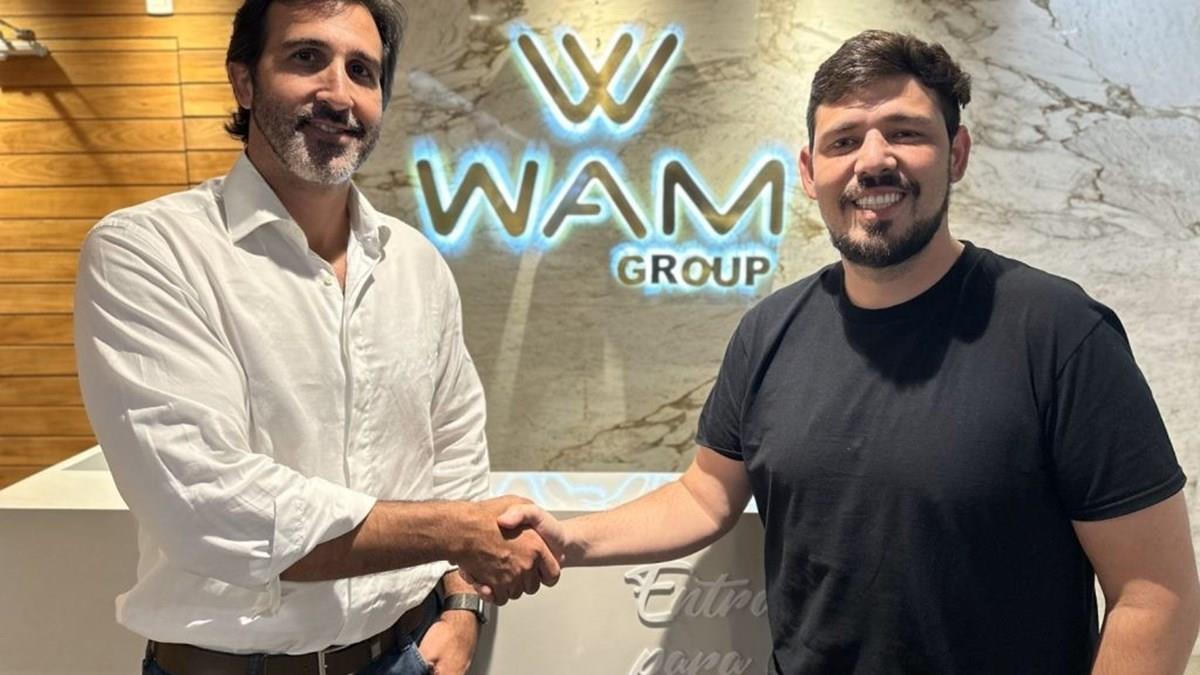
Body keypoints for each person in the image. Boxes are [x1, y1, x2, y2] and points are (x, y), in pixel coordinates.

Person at [493, 30, 1200, 674]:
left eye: (905, 133)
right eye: (844, 141)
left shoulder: (1059, 332)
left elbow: (1155, 594)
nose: (873, 160)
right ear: (809, 171)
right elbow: (704, 494)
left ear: (956, 154)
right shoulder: (769, 331)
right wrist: (569, 539)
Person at [73, 2, 558, 674]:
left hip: (407, 654)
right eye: (307, 58)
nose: (338, 93)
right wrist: (457, 531)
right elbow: (212, 504)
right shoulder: (149, 252)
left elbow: (456, 453)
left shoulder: (415, 264)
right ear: (244, 80)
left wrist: (462, 606)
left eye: (363, 71)